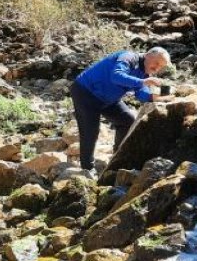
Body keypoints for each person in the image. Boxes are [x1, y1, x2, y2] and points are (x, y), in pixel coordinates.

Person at [71, 47, 172, 175]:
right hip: (85, 92)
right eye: (156, 63)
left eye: (160, 67)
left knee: (128, 120)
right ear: (147, 55)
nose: (157, 68)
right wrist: (143, 82)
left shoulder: (145, 73)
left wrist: (158, 98)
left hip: (108, 100)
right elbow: (116, 76)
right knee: (90, 131)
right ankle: (87, 168)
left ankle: (116, 159)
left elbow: (141, 94)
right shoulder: (128, 57)